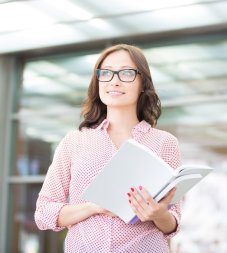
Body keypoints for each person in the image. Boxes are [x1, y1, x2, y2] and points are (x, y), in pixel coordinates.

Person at [34, 44, 182, 252]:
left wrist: (159, 214)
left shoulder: (164, 143)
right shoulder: (74, 142)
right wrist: (95, 207)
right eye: (106, 73)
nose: (114, 80)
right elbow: (43, 213)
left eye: (126, 73)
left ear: (142, 83)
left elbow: (173, 221)